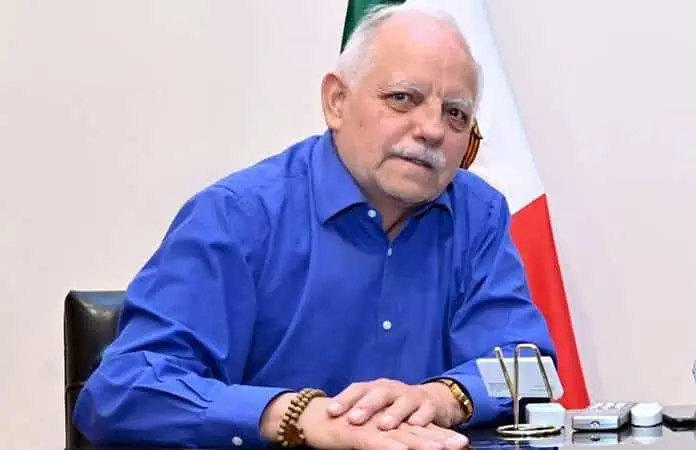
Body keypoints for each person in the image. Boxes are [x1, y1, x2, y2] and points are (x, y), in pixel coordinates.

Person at [73, 3, 556, 450]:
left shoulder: (478, 213)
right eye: (403, 98)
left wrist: (443, 397)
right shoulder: (238, 216)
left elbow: (533, 372)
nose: (432, 129)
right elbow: (121, 391)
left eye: (455, 113)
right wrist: (297, 416)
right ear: (337, 101)